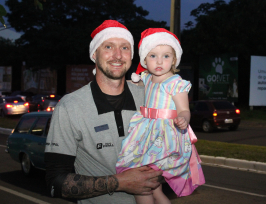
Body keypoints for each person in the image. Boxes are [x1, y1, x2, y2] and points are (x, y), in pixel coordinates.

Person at [44, 20, 163, 204]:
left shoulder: (150, 97)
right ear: (94, 54)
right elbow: (56, 182)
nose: (118, 55)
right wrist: (119, 182)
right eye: (108, 46)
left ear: (132, 55)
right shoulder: (70, 107)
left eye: (125, 48)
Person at [116, 28, 205, 204]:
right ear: (144, 60)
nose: (159, 61)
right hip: (145, 132)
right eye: (153, 56)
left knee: (142, 186)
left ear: (174, 60)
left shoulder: (175, 83)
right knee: (152, 189)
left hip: (163, 135)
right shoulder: (147, 78)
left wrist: (184, 120)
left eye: (166, 56)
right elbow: (130, 83)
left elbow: (184, 109)